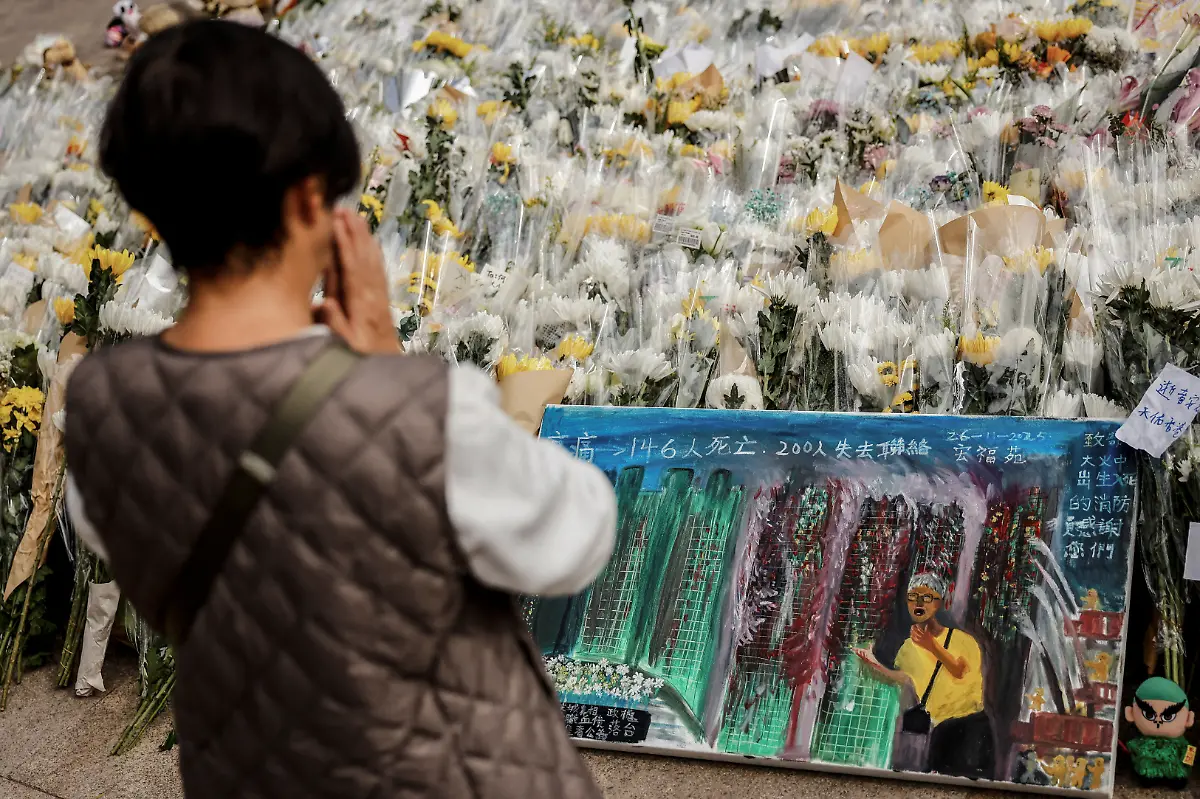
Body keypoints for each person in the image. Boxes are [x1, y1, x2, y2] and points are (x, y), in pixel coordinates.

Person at [63, 20, 616, 799]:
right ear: (305, 200)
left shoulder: (100, 414)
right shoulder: (416, 412)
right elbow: (577, 537)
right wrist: (390, 365)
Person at [854, 572, 994, 779]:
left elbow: (959, 670)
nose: (919, 603)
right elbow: (905, 678)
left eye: (927, 597)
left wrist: (931, 646)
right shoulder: (907, 649)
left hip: (970, 727)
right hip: (938, 729)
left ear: (939, 602)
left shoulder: (962, 640)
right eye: (913, 597)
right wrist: (873, 663)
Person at [1124, 676, 1195, 789]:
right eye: (1149, 715)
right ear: (1130, 714)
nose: (1158, 721)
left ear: (1189, 719)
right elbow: (1133, 749)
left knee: (1178, 779)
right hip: (1148, 770)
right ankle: (1148, 778)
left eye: (1168, 716)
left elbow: (1188, 752)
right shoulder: (1141, 741)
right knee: (1145, 775)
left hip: (1175, 771)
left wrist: (1187, 766)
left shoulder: (1181, 743)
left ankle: (1177, 779)